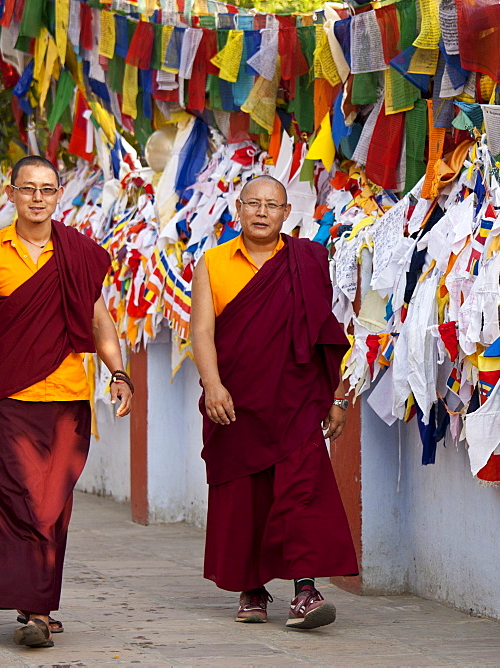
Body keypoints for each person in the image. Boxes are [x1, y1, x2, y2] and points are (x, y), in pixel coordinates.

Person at [0, 155, 133, 649]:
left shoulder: (76, 254)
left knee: (53, 507)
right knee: (27, 502)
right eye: (28, 188)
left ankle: (36, 606)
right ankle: (35, 610)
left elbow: (100, 320)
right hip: (12, 401)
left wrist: (119, 373)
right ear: (11, 194)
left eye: (47, 189)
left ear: (58, 196)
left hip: (68, 400)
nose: (37, 198)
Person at [191, 175, 358, 630]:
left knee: (302, 490)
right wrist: (212, 385)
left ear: (287, 213)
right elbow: (201, 331)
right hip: (237, 399)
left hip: (296, 400)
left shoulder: (306, 260)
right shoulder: (212, 263)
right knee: (245, 494)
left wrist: (334, 395)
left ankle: (305, 590)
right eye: (254, 204)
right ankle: (251, 588)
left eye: (272, 205)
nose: (262, 212)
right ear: (238, 209)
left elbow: (325, 334)